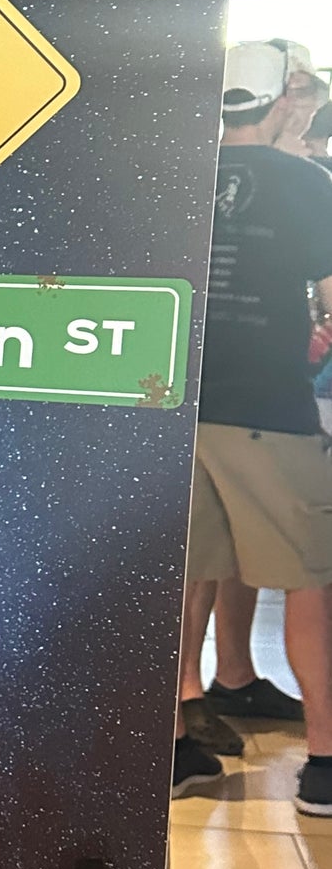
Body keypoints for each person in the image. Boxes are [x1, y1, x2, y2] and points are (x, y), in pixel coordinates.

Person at [177, 42, 332, 812]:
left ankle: (175, 745)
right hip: (271, 412)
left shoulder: (178, 172)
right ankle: (327, 765)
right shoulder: (307, 184)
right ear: (278, 103)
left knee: (185, 573)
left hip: (179, 407)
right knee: (312, 578)